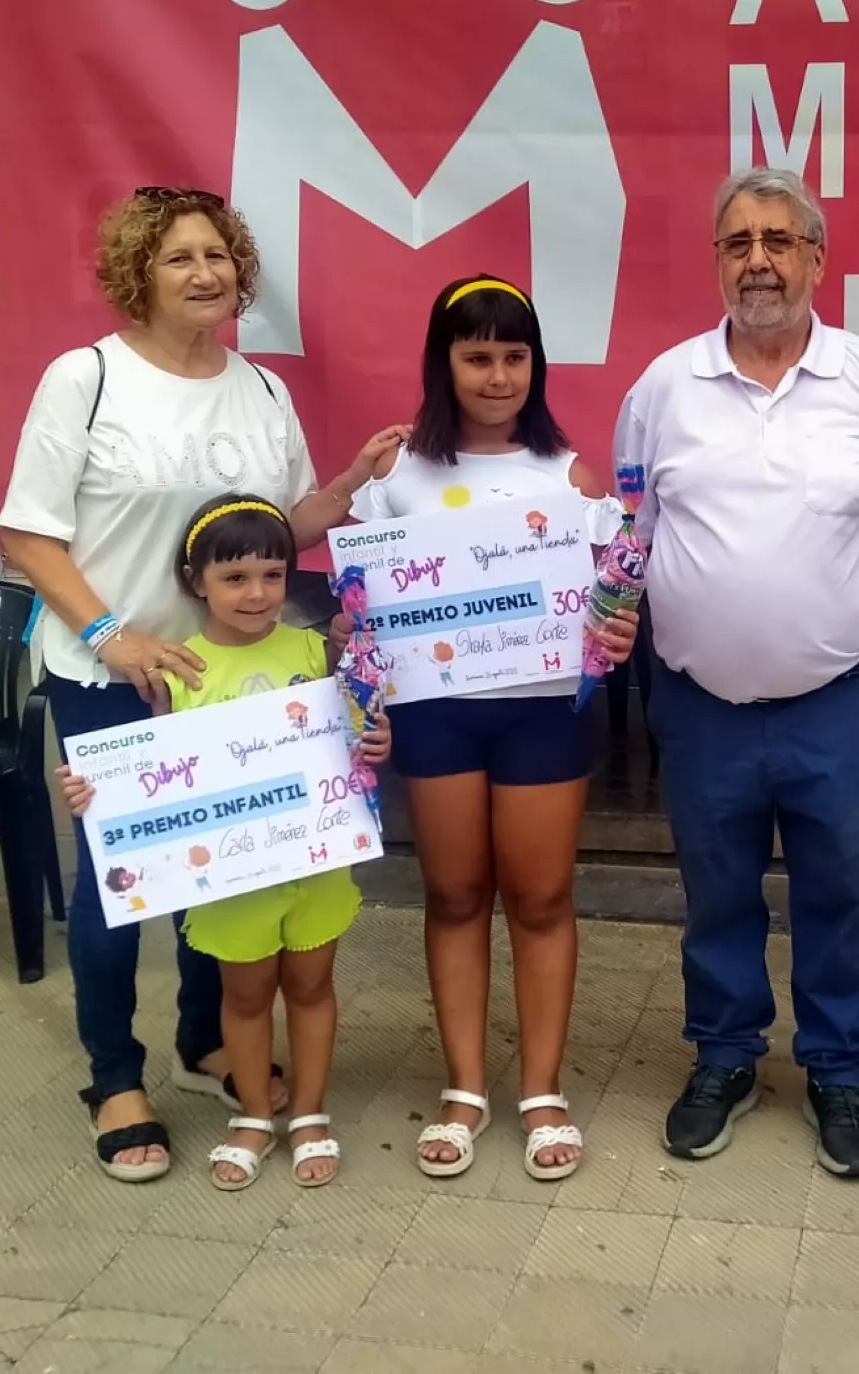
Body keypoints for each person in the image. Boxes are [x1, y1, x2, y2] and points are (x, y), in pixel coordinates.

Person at [0, 185, 405, 1181]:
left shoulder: (260, 390)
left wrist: (346, 486)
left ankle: (202, 1040)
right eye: (180, 257)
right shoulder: (84, 380)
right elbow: (25, 530)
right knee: (122, 885)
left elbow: (276, 533)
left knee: (222, 873)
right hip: (111, 672)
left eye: (219, 256)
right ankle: (113, 1076)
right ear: (141, 270)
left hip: (232, 678)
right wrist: (109, 631)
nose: (205, 273)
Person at [615, 167, 859, 1179]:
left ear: (817, 259)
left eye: (780, 240)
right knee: (717, 894)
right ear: (715, 261)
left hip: (835, 706)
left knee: (840, 892)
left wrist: (832, 622)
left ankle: (839, 1070)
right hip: (700, 706)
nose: (758, 260)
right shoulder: (663, 388)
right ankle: (725, 1057)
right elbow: (633, 535)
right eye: (737, 242)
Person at [351, 275, 638, 1181]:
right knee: (456, 894)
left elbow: (613, 594)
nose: (498, 374)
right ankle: (466, 1086)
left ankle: (543, 1088)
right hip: (434, 718)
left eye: (515, 356)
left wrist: (615, 624)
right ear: (443, 362)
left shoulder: (569, 475)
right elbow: (357, 603)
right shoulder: (394, 473)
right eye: (477, 355)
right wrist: (351, 634)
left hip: (542, 714)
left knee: (543, 898)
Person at [60, 496, 390, 1189]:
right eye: (235, 577)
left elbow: (357, 735)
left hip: (315, 866)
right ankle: (249, 1117)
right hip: (232, 880)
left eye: (272, 574)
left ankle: (308, 1114)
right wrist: (98, 793)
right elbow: (152, 774)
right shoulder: (179, 672)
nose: (257, 592)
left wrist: (374, 741)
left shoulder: (315, 650)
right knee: (241, 999)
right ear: (196, 581)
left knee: (311, 986)